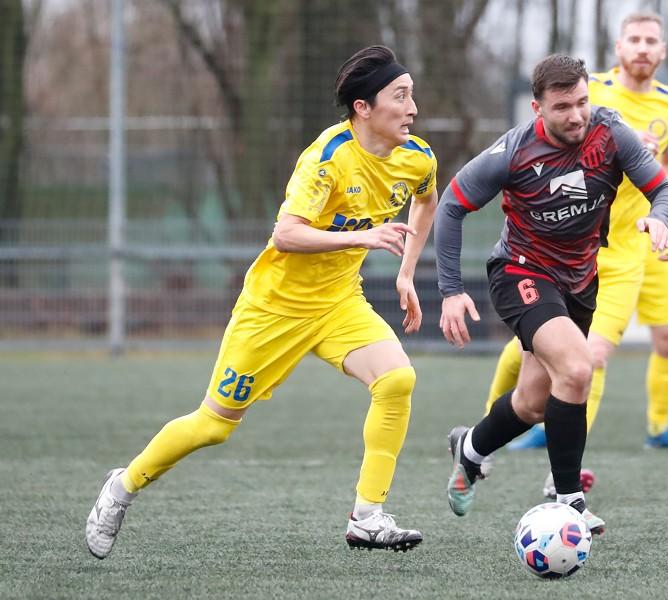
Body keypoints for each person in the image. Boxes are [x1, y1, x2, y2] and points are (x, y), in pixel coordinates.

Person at [85, 45, 438, 558]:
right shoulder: (327, 159)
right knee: (214, 426)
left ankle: (367, 517)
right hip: (273, 309)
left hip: (339, 303)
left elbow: (426, 200)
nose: (412, 109)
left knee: (397, 380)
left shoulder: (417, 157)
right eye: (400, 97)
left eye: (411, 96)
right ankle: (121, 487)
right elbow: (286, 235)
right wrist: (361, 237)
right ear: (363, 107)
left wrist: (406, 274)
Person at [434, 54, 668, 534]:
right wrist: (450, 290)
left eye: (582, 102)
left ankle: (471, 448)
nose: (576, 115)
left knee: (531, 402)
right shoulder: (512, 152)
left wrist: (660, 219)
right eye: (562, 106)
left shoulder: (611, 133)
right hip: (520, 271)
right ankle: (570, 500)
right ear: (537, 108)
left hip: (580, 282)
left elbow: (663, 189)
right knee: (577, 367)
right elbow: (451, 206)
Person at [483, 14, 668, 485]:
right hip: (561, 246)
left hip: (625, 250)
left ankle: (564, 468)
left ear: (663, 51)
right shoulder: (589, 96)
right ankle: (488, 432)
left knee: (592, 354)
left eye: (651, 40)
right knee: (526, 348)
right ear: (618, 46)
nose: (642, 48)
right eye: (634, 39)